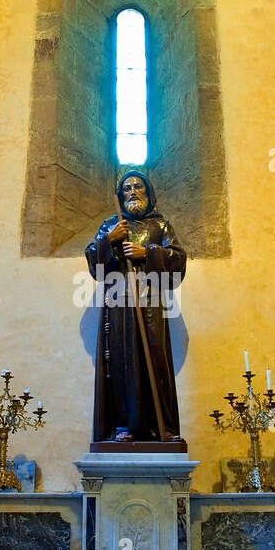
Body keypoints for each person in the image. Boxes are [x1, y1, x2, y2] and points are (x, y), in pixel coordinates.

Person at [84, 170, 185, 443]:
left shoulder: (160, 226)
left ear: (148, 193)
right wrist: (109, 240)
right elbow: (95, 264)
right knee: (122, 361)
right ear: (120, 195)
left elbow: (178, 262)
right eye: (126, 188)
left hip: (152, 303)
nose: (132, 191)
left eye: (138, 186)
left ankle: (162, 427)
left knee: (155, 360)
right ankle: (123, 425)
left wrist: (148, 253)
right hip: (118, 305)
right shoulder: (110, 225)